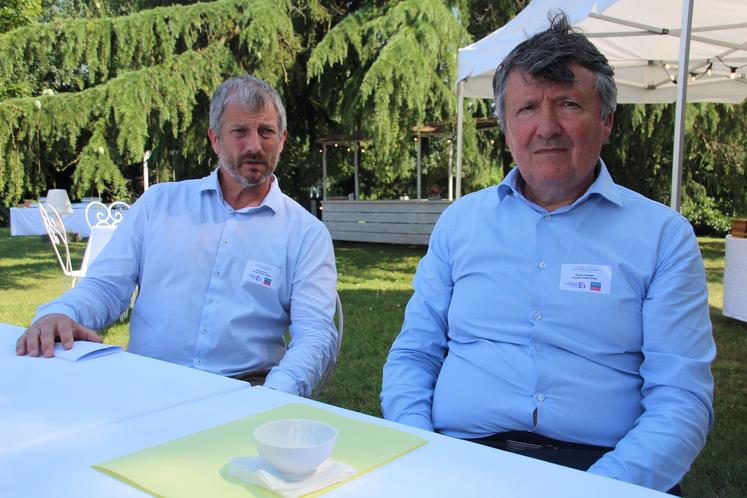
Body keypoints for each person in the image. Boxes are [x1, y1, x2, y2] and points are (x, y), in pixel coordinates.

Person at [380, 13, 715, 495]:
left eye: (568, 104)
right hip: (459, 457)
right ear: (505, 127)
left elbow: (681, 399)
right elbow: (414, 354)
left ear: (606, 121)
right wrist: (419, 450)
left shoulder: (663, 236)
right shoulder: (461, 224)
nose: (546, 127)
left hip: (603, 468)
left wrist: (602, 489)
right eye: (528, 108)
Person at [16, 75, 338, 398]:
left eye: (265, 131)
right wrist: (61, 313)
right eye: (240, 131)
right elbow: (106, 287)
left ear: (281, 139)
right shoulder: (159, 205)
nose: (254, 145)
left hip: (245, 392)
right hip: (146, 384)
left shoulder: (306, 234)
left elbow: (316, 333)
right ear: (215, 139)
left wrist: (272, 396)